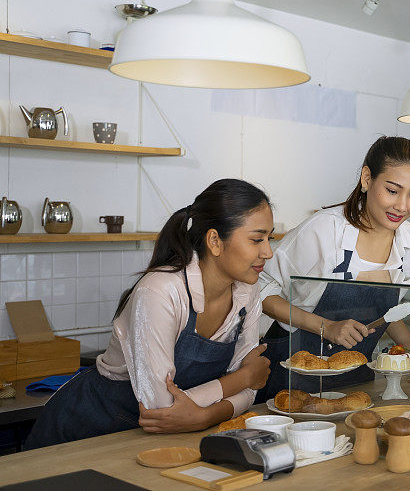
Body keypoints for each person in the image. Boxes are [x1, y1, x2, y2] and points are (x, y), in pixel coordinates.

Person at [25, 179, 274, 449]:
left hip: (159, 439)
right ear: (214, 240)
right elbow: (160, 407)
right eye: (257, 239)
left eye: (269, 238)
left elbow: (250, 393)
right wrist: (241, 379)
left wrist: (205, 415)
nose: (268, 251)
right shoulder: (160, 290)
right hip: (85, 432)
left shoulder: (246, 293)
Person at [255, 136, 410, 402]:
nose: (403, 206)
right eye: (393, 191)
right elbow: (260, 289)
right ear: (367, 178)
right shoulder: (325, 230)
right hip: (289, 380)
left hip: (356, 384)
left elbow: (389, 314)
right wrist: (327, 327)